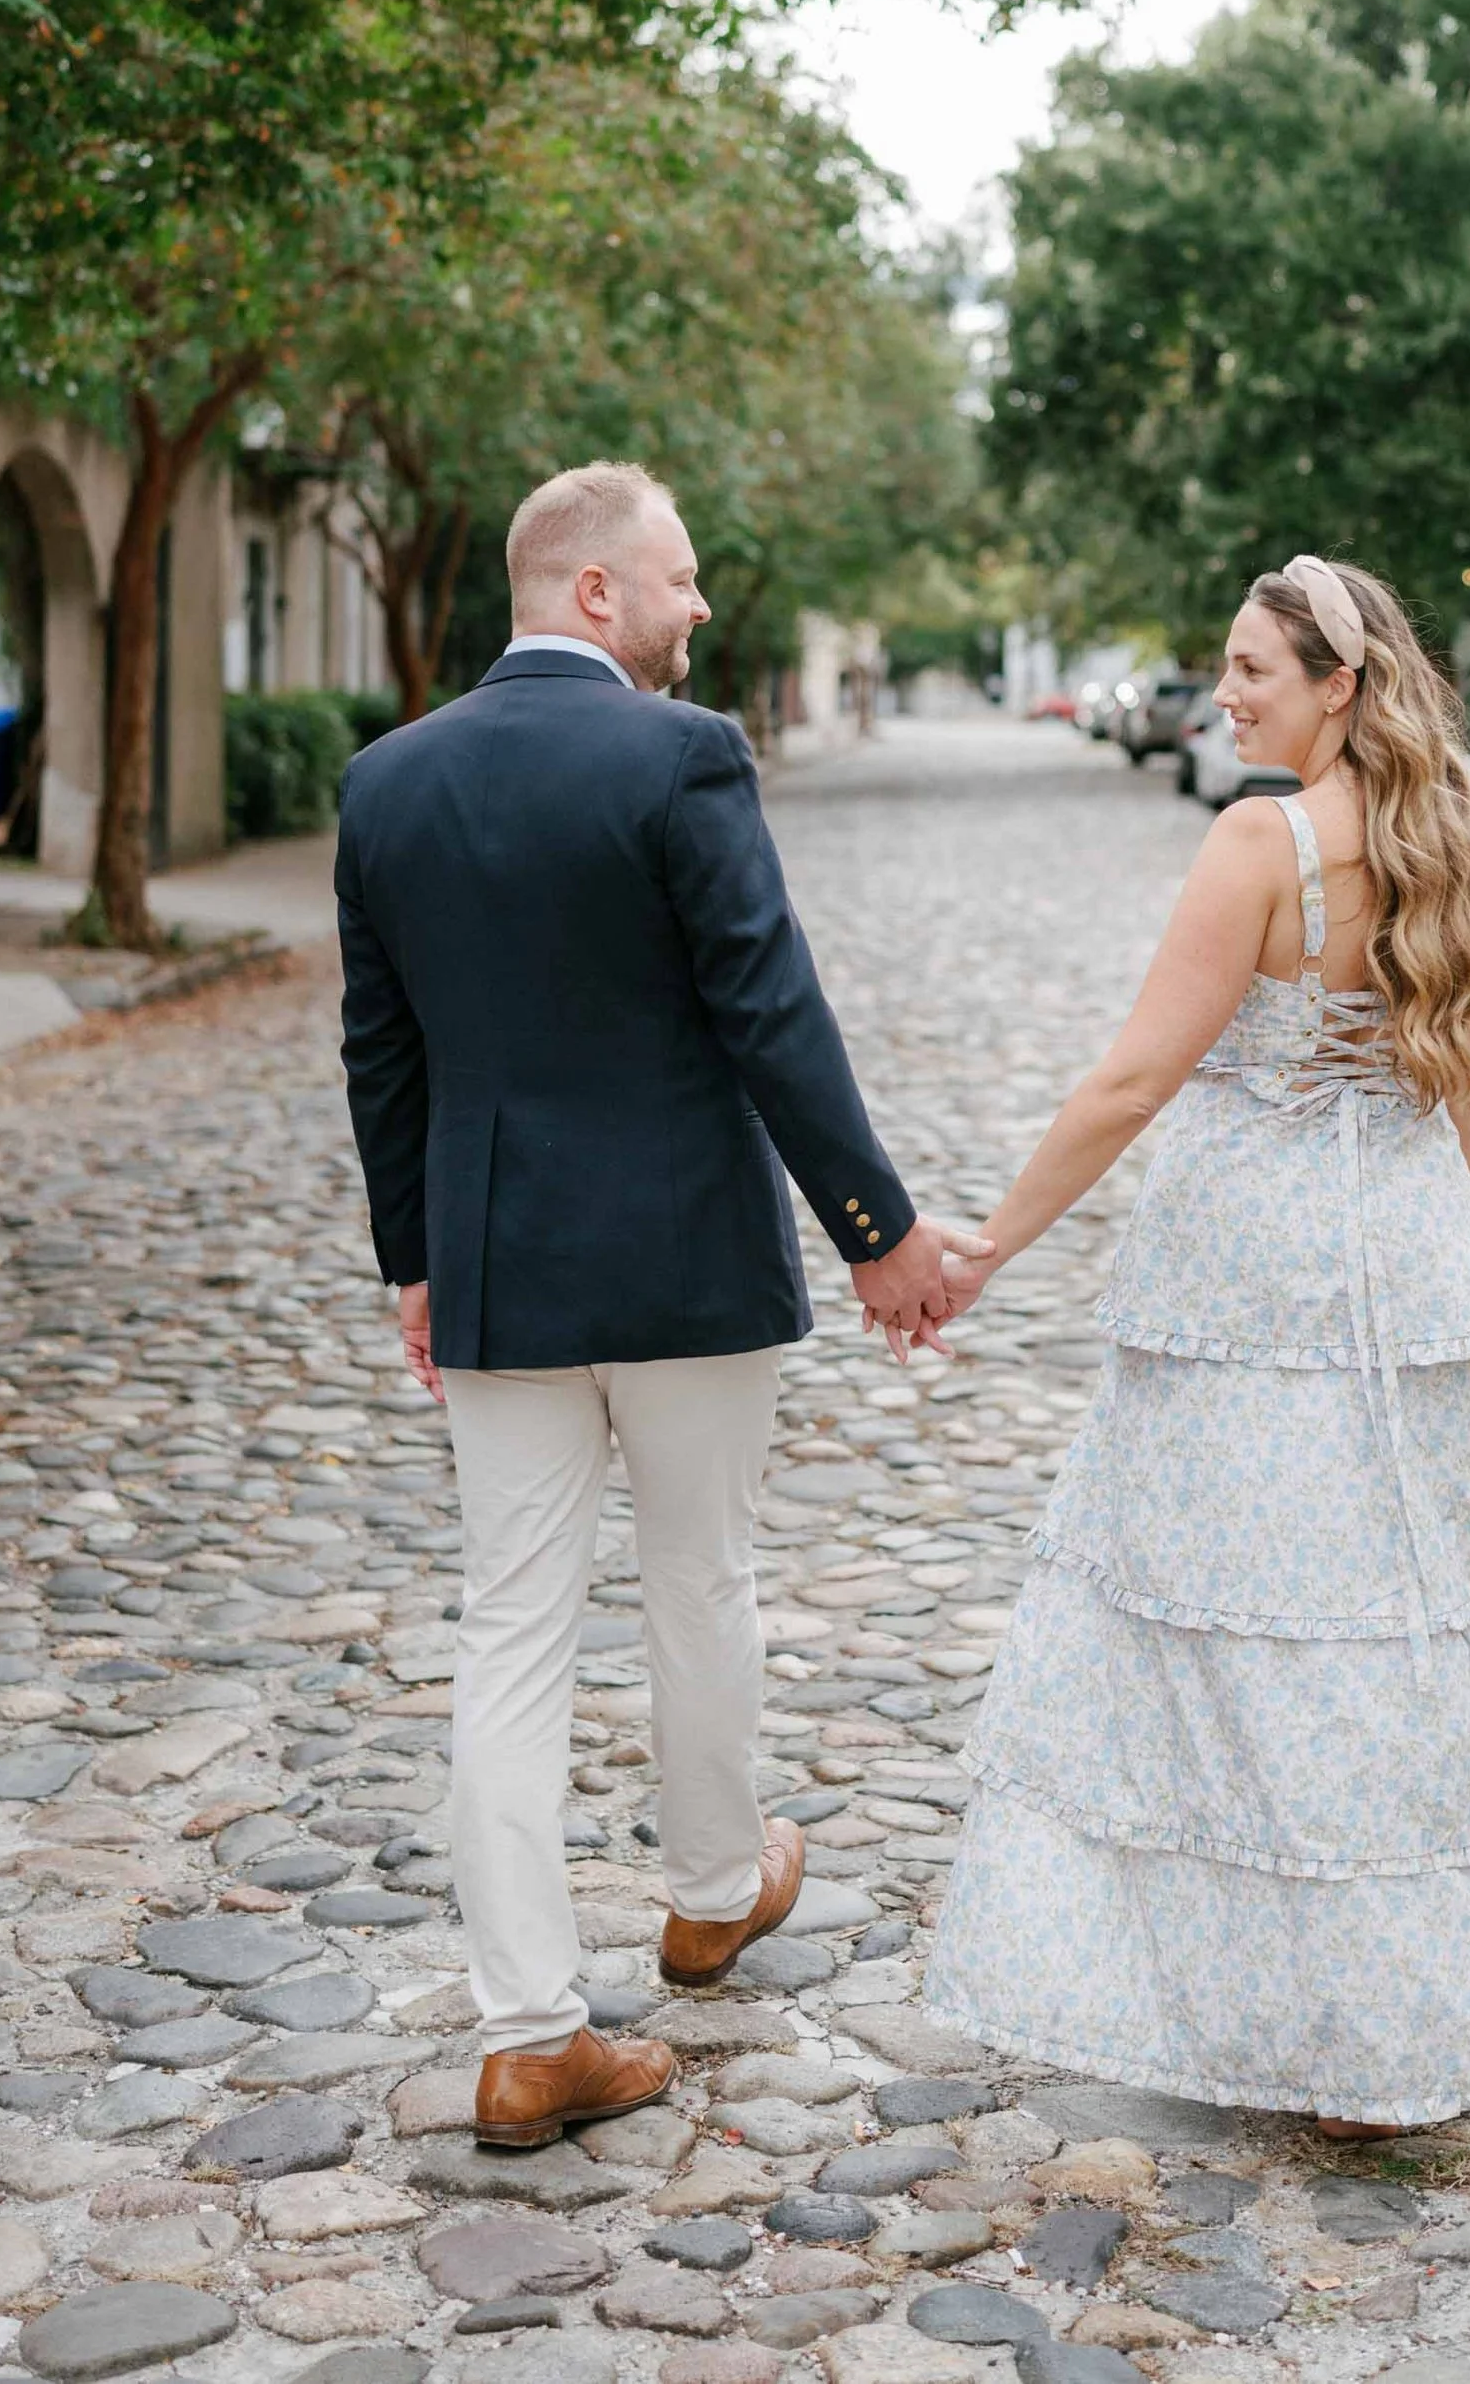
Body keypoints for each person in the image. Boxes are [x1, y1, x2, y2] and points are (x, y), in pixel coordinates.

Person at [335, 460, 987, 2152]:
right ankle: (708, 1895)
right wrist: (879, 1231)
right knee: (701, 1577)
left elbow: (381, 1050)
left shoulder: (387, 782)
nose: (700, 604)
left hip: (496, 1267)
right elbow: (771, 1007)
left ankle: (529, 2034)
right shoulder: (681, 754)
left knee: (511, 1625)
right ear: (594, 590)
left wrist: (416, 1259)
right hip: (688, 1262)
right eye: (680, 577)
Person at [921, 554, 1470, 2131]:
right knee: (1379, 1641)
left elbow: (1134, 1082)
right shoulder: (1455, 832)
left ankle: (1279, 2005)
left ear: (1341, 682)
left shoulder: (1262, 842)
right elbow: (1459, 1087)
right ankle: (1374, 2035)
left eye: (1256, 667)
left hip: (1251, 1285)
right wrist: (1425, 1263)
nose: (1228, 691)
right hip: (1409, 1256)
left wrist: (990, 1242)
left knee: (1242, 1640)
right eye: (1227, 664)